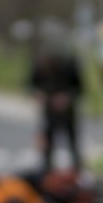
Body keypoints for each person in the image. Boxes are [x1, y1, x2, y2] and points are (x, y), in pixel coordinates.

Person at [28, 39, 86, 175]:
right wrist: (39, 95)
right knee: (48, 144)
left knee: (72, 143)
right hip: (48, 110)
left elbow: (79, 88)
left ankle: (77, 172)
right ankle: (47, 173)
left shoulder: (70, 64)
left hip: (67, 111)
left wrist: (66, 97)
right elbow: (32, 85)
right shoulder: (40, 65)